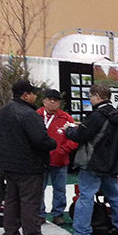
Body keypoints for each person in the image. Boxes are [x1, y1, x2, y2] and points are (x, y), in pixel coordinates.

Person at [0, 79, 57, 235]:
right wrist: (53, 143)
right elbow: (40, 140)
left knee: (12, 200)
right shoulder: (29, 114)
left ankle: (10, 232)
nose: (36, 96)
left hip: (8, 164)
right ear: (26, 95)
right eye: (34, 93)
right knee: (30, 201)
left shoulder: (1, 112)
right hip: (29, 165)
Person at [62, 84, 118, 235]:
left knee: (86, 196)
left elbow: (81, 136)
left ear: (97, 96)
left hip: (93, 163)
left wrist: (68, 130)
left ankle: (81, 234)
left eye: (91, 96)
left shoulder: (96, 116)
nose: (90, 99)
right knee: (115, 196)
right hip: (111, 164)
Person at [36, 89, 76, 225]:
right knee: (38, 188)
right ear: (44, 101)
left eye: (56, 100)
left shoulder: (66, 118)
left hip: (60, 160)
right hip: (40, 160)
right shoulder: (36, 116)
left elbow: (74, 138)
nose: (53, 102)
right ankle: (40, 214)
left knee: (60, 189)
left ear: (59, 103)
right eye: (50, 99)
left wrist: (64, 149)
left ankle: (58, 214)